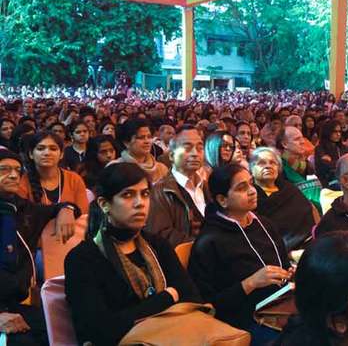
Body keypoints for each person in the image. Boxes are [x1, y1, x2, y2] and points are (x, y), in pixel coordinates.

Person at [64, 162, 202, 346]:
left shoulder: (158, 245)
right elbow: (101, 330)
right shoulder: (82, 259)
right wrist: (167, 297)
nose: (140, 203)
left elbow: (192, 298)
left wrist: (137, 313)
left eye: (145, 194)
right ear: (104, 204)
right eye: (128, 195)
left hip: (173, 336)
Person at [188, 164, 294, 344]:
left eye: (251, 184)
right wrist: (250, 283)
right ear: (222, 200)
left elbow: (283, 264)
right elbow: (207, 305)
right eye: (242, 188)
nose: (252, 191)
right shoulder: (209, 242)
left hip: (279, 308)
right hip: (243, 320)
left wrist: (290, 273)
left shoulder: (264, 224)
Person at [0, 149, 78, 346]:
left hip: (16, 303)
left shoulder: (23, 209)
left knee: (66, 328)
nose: (13, 175)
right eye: (4, 169)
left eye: (18, 170)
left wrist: (66, 209)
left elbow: (58, 207)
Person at [146, 126, 211, 247]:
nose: (195, 153)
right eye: (187, 148)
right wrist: (204, 245)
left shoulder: (207, 186)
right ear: (171, 156)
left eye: (200, 148)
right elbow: (161, 235)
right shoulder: (159, 192)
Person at [250, 147, 317, 251]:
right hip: (278, 250)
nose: (268, 166)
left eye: (272, 163)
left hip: (310, 242)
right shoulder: (251, 195)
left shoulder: (289, 189)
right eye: (262, 163)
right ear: (251, 169)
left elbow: (310, 210)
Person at [17, 131, 89, 215]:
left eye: (53, 149)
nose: (47, 153)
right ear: (31, 154)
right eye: (40, 148)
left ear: (61, 154)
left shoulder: (74, 179)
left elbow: (83, 213)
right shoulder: (22, 182)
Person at [111, 119, 168, 184]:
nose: (147, 141)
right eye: (141, 137)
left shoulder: (162, 169)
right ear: (126, 142)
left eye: (149, 137)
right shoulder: (115, 168)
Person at [314, 120, 347, 190]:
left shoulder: (342, 147)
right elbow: (325, 166)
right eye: (335, 132)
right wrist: (341, 163)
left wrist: (333, 162)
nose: (338, 134)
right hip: (327, 181)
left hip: (343, 178)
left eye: (339, 132)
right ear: (327, 133)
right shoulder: (320, 148)